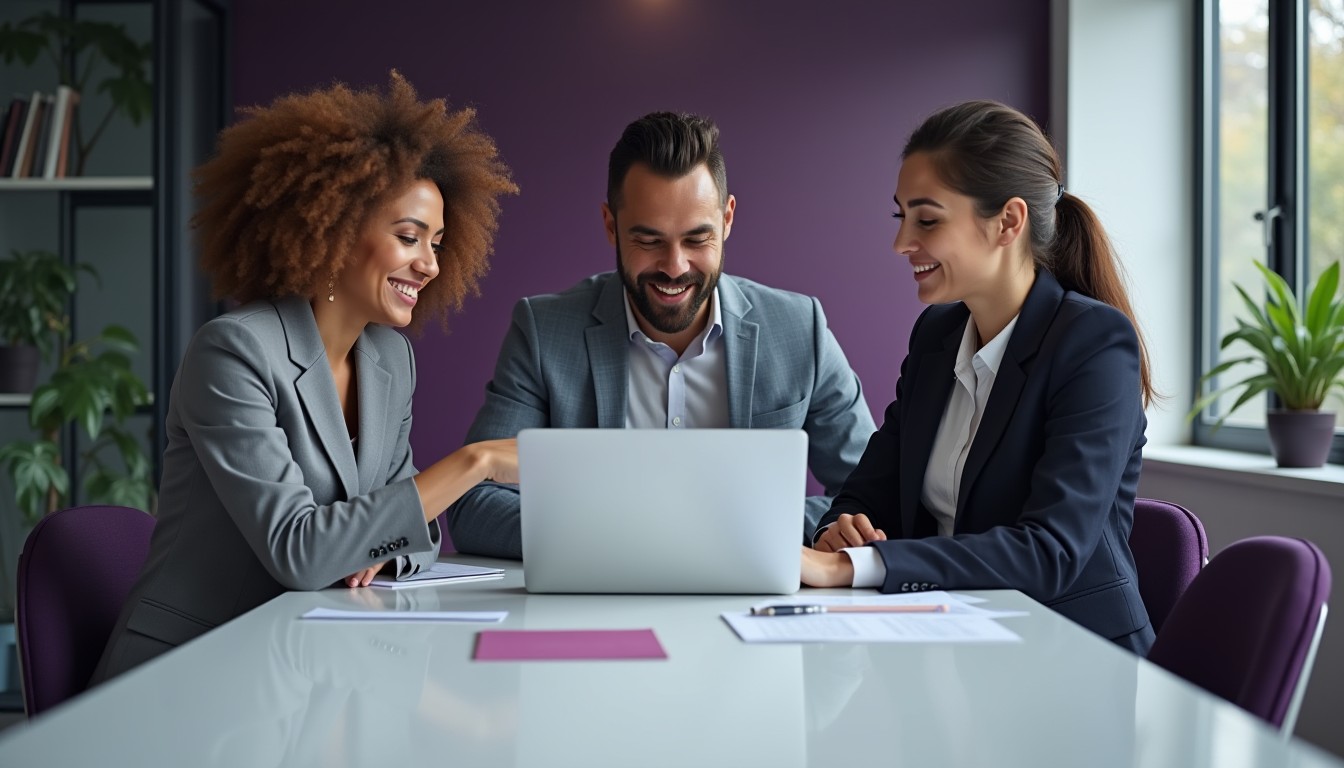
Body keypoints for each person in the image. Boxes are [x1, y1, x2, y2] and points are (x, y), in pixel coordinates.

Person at [91, 73, 519, 683]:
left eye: (438, 243)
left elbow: (415, 532)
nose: (429, 264)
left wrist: (372, 548)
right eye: (408, 237)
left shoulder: (390, 360)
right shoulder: (234, 353)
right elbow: (300, 550)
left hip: (301, 663)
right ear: (337, 231)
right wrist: (475, 463)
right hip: (188, 673)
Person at [802, 100, 1156, 655]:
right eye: (901, 217)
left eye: (928, 219)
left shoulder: (1094, 345)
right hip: (944, 642)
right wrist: (841, 532)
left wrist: (857, 566)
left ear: (1008, 222)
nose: (901, 243)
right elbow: (866, 492)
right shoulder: (937, 335)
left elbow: (1049, 552)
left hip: (1068, 657)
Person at [447, 111, 876, 559]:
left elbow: (870, 495)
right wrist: (626, 535)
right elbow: (473, 504)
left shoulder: (798, 328)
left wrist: (717, 530)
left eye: (697, 239)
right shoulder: (543, 332)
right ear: (611, 225)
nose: (675, 267)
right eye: (649, 241)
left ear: (727, 220)